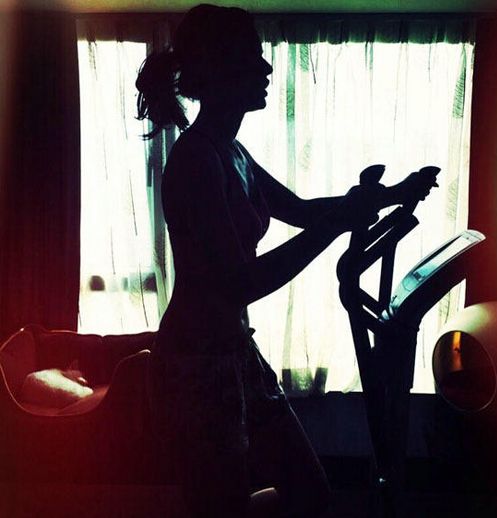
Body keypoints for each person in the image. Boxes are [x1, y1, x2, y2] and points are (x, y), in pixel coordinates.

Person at [136, 4, 436, 517]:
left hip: (236, 352)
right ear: (221, 68)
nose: (267, 68)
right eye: (253, 57)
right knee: (223, 507)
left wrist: (388, 196)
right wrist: (337, 224)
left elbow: (299, 210)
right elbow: (239, 282)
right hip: (196, 365)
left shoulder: (232, 152)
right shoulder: (195, 159)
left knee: (310, 493)